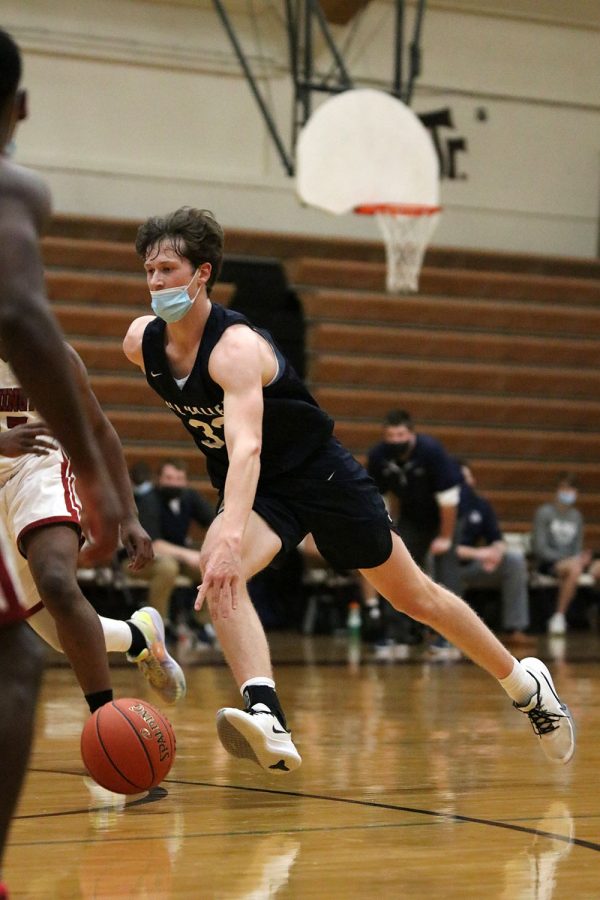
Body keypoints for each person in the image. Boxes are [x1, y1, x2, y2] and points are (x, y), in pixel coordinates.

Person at [123, 205, 575, 777]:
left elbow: (246, 448)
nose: (156, 282)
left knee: (413, 597)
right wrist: (227, 541)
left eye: (168, 270)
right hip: (262, 492)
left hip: (320, 475)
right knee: (220, 575)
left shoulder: (234, 347)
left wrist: (231, 529)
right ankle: (267, 714)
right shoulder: (142, 344)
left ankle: (526, 684)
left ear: (203, 273)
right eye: (149, 271)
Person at [0, 28, 121, 889]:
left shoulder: (60, 357)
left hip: (29, 464)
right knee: (13, 654)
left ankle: (108, 708)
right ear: (20, 108)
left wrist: (110, 484)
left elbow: (89, 408)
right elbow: (19, 309)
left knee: (51, 592)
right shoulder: (11, 191)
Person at [0, 347, 187, 707]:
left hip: (39, 467)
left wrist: (129, 516)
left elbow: (99, 430)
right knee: (59, 633)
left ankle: (104, 716)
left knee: (55, 582)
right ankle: (138, 636)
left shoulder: (51, 351)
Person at [366, 409, 463, 660]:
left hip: (444, 518)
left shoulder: (431, 451)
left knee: (446, 573)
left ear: (411, 434)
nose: (396, 440)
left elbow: (449, 499)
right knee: (398, 570)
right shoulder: (379, 455)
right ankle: (397, 633)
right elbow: (376, 493)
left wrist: (445, 537)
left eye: (401, 434)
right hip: (411, 519)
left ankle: (448, 637)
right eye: (390, 435)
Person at [129, 458, 215, 645]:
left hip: (177, 560)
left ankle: (200, 623)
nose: (174, 483)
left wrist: (213, 549)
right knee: (168, 567)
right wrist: (189, 554)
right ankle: (158, 626)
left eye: (179, 478)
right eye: (169, 477)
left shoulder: (189, 497)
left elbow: (215, 522)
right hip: (139, 560)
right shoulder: (149, 500)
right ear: (159, 479)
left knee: (214, 567)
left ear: (185, 481)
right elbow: (155, 544)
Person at [455, 461, 534, 648]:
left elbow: (497, 538)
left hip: (475, 567)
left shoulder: (481, 505)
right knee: (433, 563)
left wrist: (496, 553)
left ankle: (516, 629)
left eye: (465, 477)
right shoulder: (441, 507)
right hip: (448, 567)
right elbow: (443, 549)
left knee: (514, 561)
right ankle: (437, 632)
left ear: (472, 480)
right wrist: (479, 554)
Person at [532, 472, 600, 636]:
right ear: (557, 490)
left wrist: (581, 558)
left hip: (572, 561)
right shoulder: (544, 513)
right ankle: (559, 617)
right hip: (548, 563)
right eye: (565, 489)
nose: (568, 493)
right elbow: (540, 548)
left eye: (572, 490)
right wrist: (567, 560)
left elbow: (577, 546)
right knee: (574, 569)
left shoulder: (576, 516)